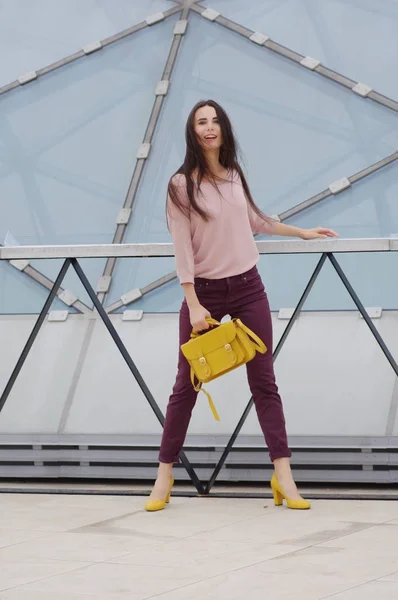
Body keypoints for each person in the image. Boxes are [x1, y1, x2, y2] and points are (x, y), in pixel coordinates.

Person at [145, 100, 338, 512]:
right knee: (187, 384)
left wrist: (302, 232)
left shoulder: (233, 175)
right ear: (192, 132)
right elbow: (182, 250)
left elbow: (255, 220)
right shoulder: (181, 185)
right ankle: (164, 474)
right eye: (202, 122)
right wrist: (193, 304)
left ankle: (283, 475)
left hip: (249, 288)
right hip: (206, 295)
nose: (210, 128)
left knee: (264, 382)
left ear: (223, 129)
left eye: (215, 121)